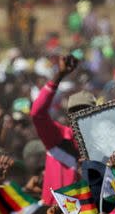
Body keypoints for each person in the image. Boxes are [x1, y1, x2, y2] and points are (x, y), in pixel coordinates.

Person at [31, 55, 96, 203]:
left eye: (87, 111)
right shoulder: (57, 138)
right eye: (76, 111)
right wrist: (59, 75)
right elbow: (37, 113)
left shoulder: (102, 147)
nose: (82, 115)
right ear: (68, 117)